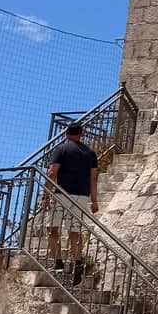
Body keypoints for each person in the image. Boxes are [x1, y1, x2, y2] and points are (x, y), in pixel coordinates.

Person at [44, 121, 98, 285]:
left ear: (67, 134)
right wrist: (94, 201)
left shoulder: (61, 149)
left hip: (62, 195)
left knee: (52, 228)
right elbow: (93, 178)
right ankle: (78, 262)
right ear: (81, 135)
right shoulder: (90, 154)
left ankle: (58, 262)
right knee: (75, 232)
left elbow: (53, 172)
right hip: (82, 197)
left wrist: (46, 194)